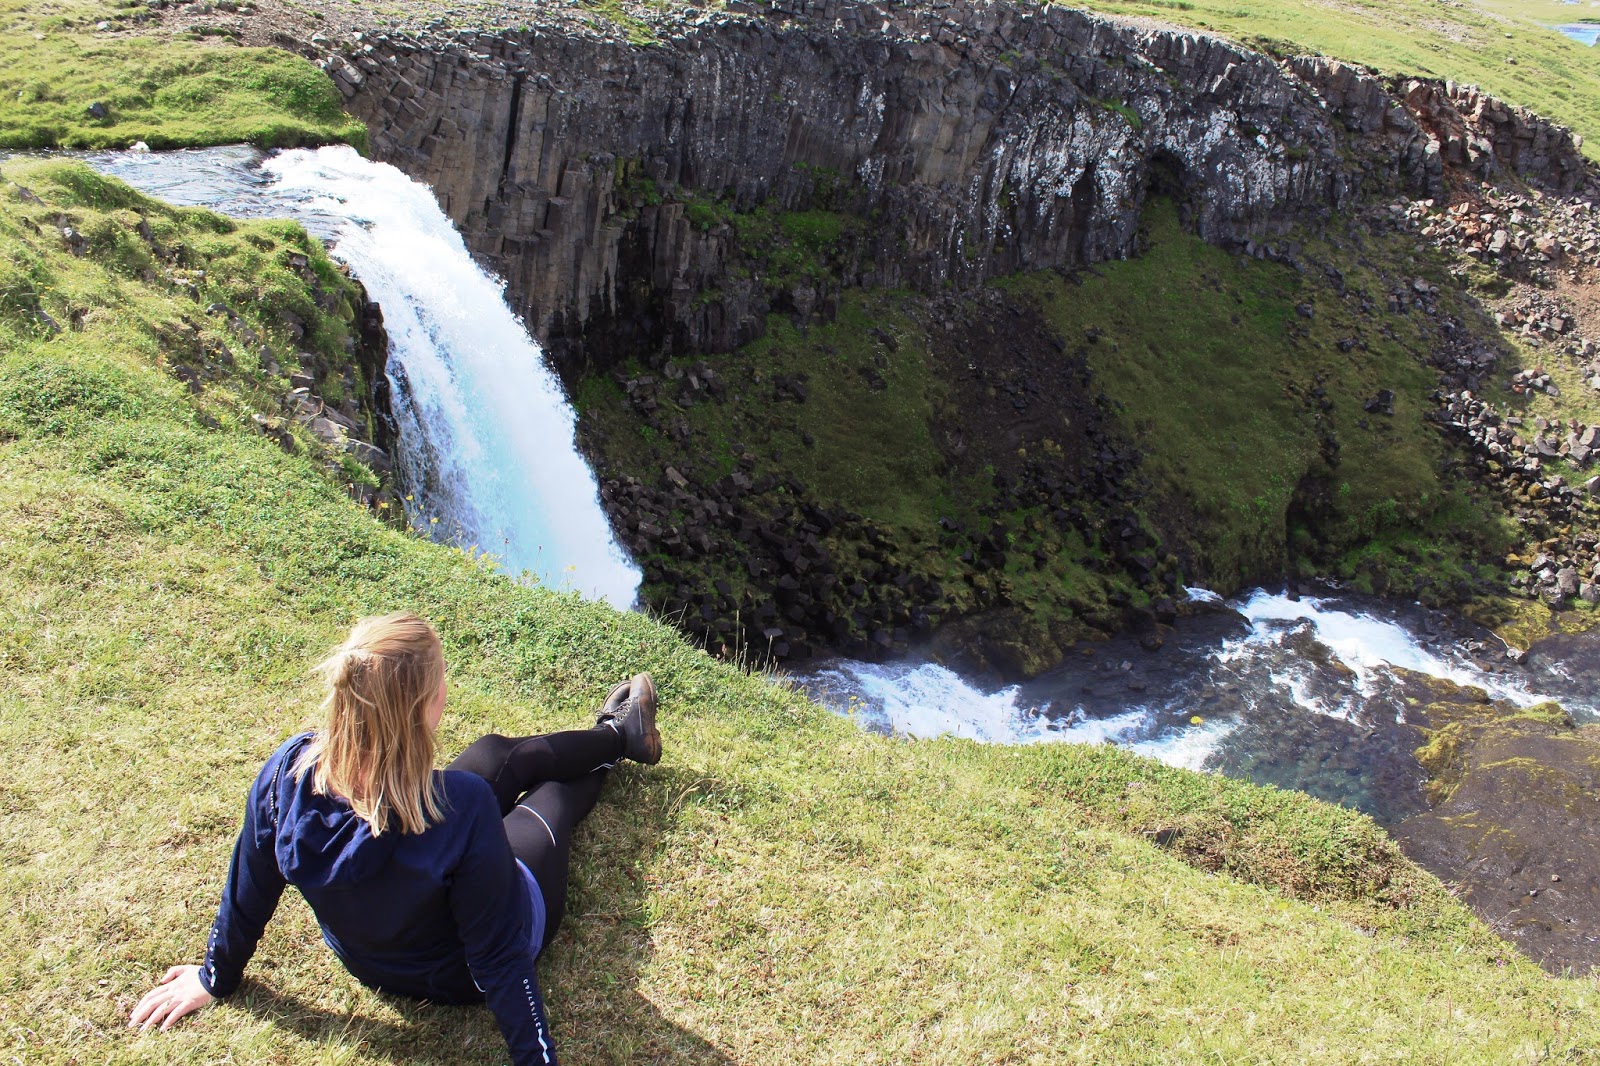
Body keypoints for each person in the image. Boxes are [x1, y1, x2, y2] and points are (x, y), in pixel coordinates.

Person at [129, 611, 661, 1065]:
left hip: (367, 959)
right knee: (552, 797)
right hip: (457, 975)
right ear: (419, 711)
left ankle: (617, 734)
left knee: (499, 753)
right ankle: (615, 741)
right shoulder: (462, 809)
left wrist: (216, 974)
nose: (447, 692)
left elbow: (251, 881)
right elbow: (499, 958)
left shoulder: (286, 774)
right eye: (441, 683)